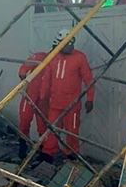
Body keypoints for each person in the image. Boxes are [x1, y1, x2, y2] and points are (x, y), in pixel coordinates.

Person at [38, 29, 95, 162]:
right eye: (67, 44)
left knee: (72, 130)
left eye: (72, 44)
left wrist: (90, 99)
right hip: (55, 103)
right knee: (51, 129)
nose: (71, 47)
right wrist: (42, 98)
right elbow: (46, 80)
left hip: (72, 105)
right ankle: (48, 153)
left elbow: (88, 79)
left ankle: (71, 154)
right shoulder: (52, 58)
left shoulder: (80, 57)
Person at [17, 49, 49, 159]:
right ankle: (22, 146)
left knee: (43, 125)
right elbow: (24, 67)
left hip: (44, 98)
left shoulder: (58, 61)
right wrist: (23, 78)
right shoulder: (41, 56)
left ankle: (43, 151)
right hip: (30, 95)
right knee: (24, 120)